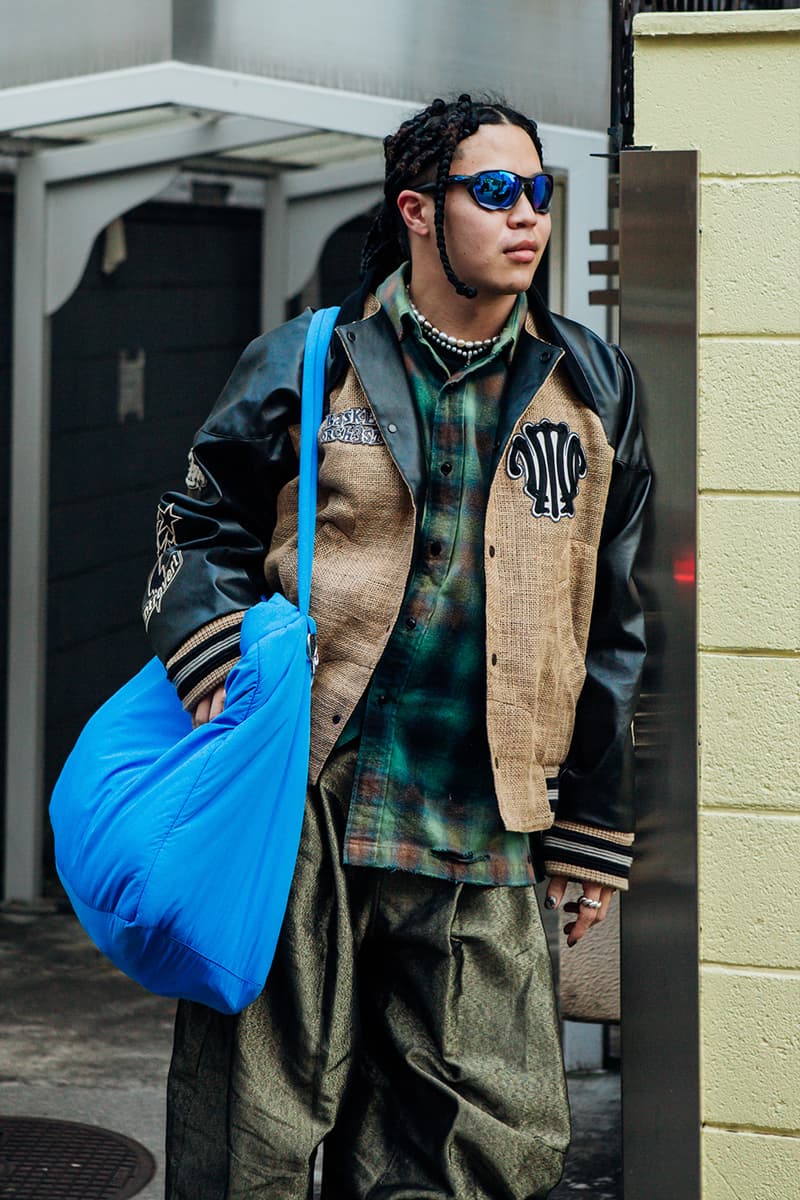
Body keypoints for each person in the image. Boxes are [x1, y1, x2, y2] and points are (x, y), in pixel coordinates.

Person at [143, 94, 651, 1200]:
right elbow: (199, 524)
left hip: (479, 817)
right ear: (418, 210)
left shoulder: (593, 385)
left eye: (538, 192)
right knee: (252, 1136)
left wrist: (595, 824)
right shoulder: (310, 362)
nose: (527, 217)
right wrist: (214, 661)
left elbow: (611, 618)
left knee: (472, 1143)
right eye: (496, 192)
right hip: (305, 810)